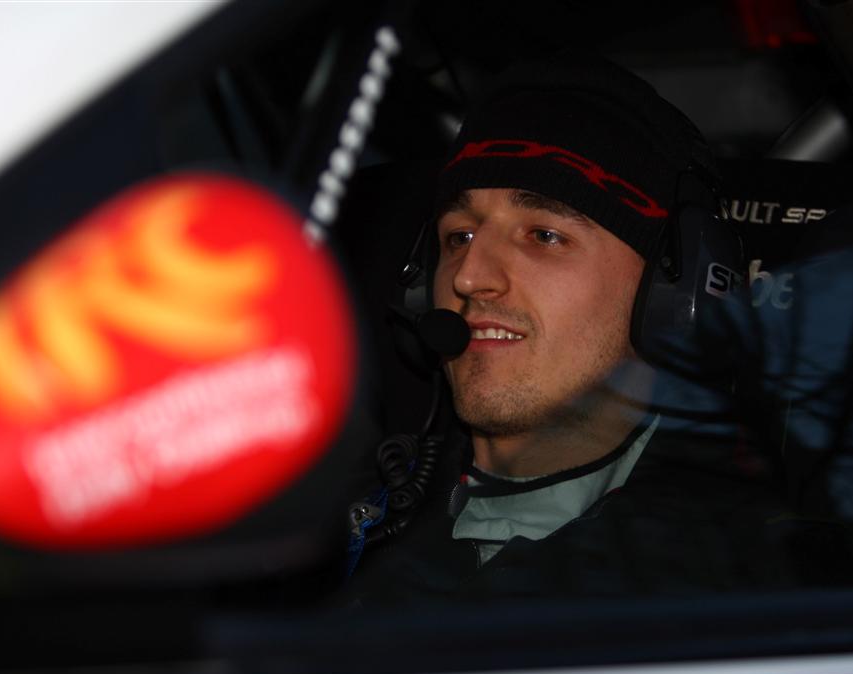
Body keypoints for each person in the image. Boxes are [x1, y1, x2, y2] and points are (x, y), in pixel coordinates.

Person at [343, 52, 810, 605]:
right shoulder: (334, 504)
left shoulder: (746, 589)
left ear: (671, 292)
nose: (469, 276)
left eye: (544, 236)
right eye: (459, 236)